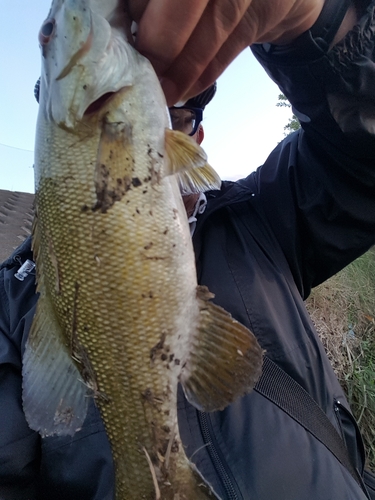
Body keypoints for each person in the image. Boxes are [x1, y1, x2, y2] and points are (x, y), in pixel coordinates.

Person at [1, 0, 375, 499]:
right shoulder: (12, 301)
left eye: (173, 113)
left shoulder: (265, 215)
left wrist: (320, 23)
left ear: (194, 139)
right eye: (50, 33)